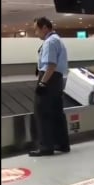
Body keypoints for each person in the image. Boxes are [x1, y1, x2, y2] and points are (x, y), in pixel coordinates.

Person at [29, 17, 70, 156]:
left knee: (42, 112)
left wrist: (42, 83)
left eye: (37, 29)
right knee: (57, 112)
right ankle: (62, 143)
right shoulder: (57, 39)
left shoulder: (50, 42)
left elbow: (51, 65)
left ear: (45, 27)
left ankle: (46, 146)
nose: (36, 33)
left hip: (49, 79)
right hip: (57, 80)